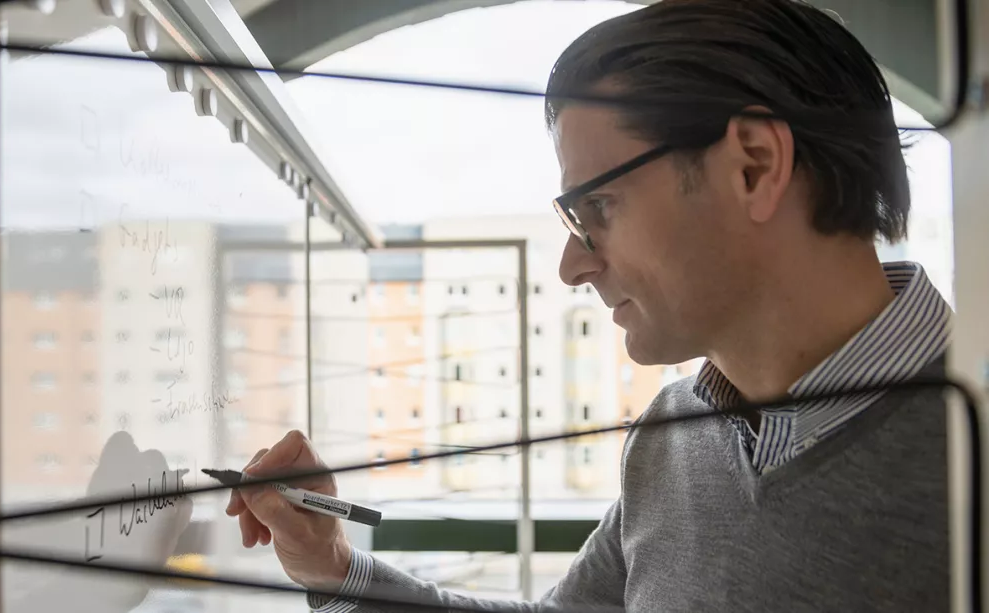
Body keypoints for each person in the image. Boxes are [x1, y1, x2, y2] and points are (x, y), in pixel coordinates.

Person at [225, 0, 953, 610]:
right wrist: (334, 565)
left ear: (753, 165)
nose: (573, 265)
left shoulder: (967, 452)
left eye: (597, 205)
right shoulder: (675, 432)